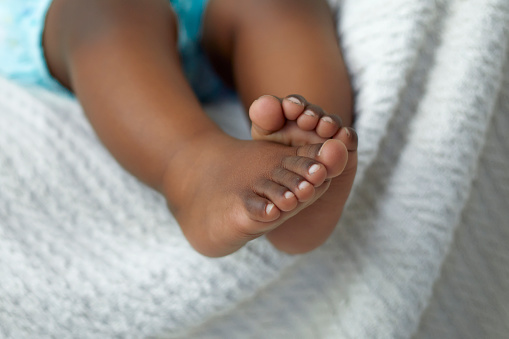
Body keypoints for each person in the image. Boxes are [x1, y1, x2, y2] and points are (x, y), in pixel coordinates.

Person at [0, 0, 358, 257]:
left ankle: (304, 160)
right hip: (73, 17)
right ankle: (194, 168)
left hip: (209, 13)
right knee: (104, 9)